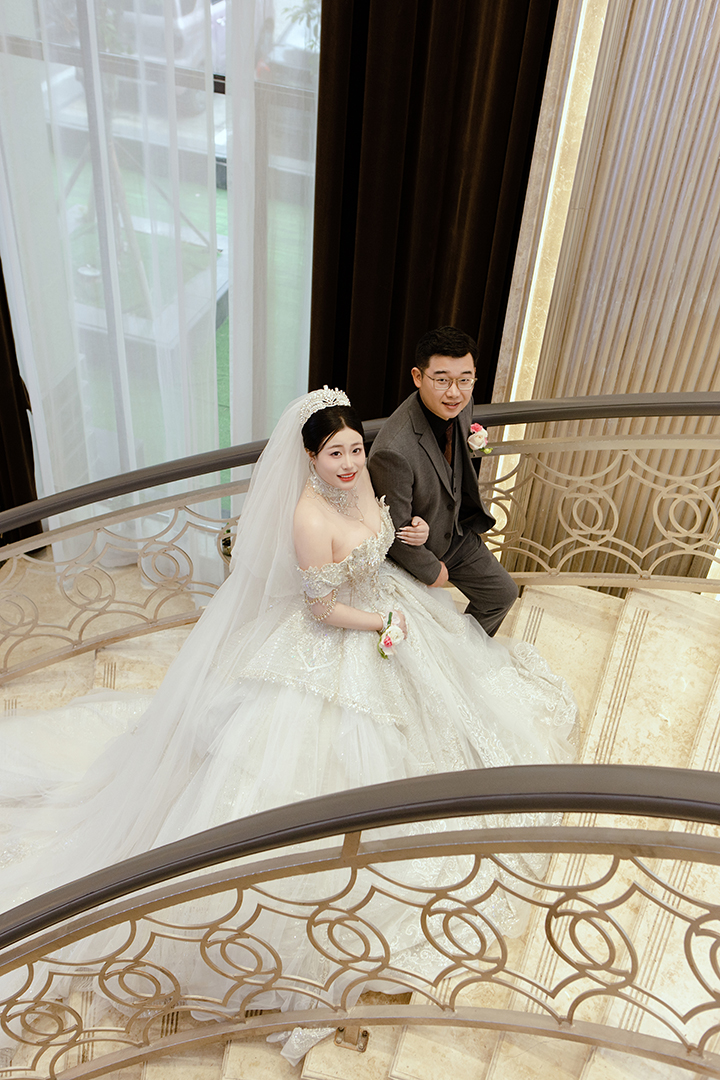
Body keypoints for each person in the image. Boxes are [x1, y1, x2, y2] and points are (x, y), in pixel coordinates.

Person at [0, 388, 576, 1065]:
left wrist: (412, 541)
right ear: (309, 457)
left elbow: (381, 541)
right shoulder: (307, 516)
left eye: (355, 449)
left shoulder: (362, 485)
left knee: (454, 719)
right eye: (334, 454)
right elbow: (323, 608)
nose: (349, 463)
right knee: (320, 760)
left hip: (390, 607)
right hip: (339, 633)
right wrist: (382, 623)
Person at [368, 325, 518, 636]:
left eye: (465, 379)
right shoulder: (392, 450)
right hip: (419, 549)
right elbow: (392, 530)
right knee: (422, 632)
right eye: (442, 380)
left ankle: (465, 652)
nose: (454, 392)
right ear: (417, 376)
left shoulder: (461, 405)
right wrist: (431, 569)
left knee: (502, 594)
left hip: (457, 533)